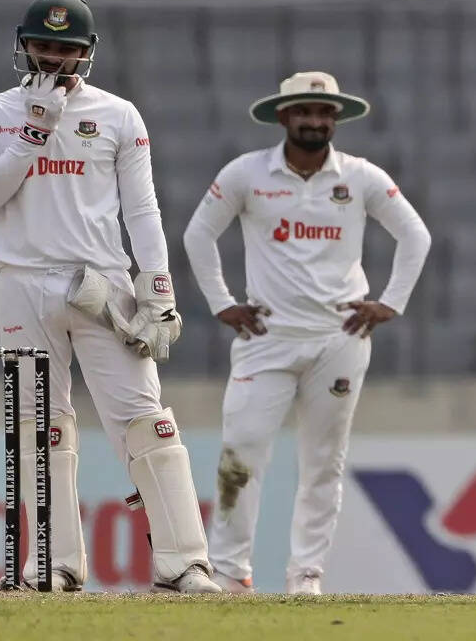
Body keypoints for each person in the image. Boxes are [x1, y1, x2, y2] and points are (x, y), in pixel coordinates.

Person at [0, 0, 218, 592]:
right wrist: (31, 134)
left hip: (101, 286)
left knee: (145, 419)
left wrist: (157, 287)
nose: (53, 58)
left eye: (66, 49)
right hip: (18, 282)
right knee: (38, 425)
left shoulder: (118, 115)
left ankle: (184, 564)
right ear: (23, 45)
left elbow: (142, 208)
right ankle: (55, 566)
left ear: (86, 52)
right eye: (43, 45)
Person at [182, 71, 431, 595]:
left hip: (338, 338)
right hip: (266, 337)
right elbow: (198, 234)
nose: (314, 121)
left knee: (323, 462)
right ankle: (229, 571)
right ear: (283, 116)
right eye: (303, 111)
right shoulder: (247, 173)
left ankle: (306, 574)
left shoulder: (360, 176)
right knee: (240, 453)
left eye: (323, 113)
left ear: (335, 119)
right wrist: (223, 304)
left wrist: (391, 302)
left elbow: (415, 234)